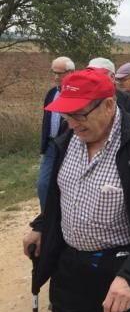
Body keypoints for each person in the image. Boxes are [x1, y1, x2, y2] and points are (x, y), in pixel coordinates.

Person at [22, 68, 130, 312]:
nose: (71, 122)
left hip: (120, 266)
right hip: (70, 268)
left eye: (79, 114)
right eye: (66, 115)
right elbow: (59, 193)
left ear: (108, 105)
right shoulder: (70, 134)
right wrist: (41, 226)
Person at [37, 56, 75, 211]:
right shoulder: (51, 93)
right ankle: (45, 222)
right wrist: (44, 145)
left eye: (60, 73)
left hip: (70, 147)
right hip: (51, 146)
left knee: (66, 185)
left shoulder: (77, 94)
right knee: (43, 184)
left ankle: (64, 220)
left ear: (71, 72)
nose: (56, 77)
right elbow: (47, 120)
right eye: (54, 73)